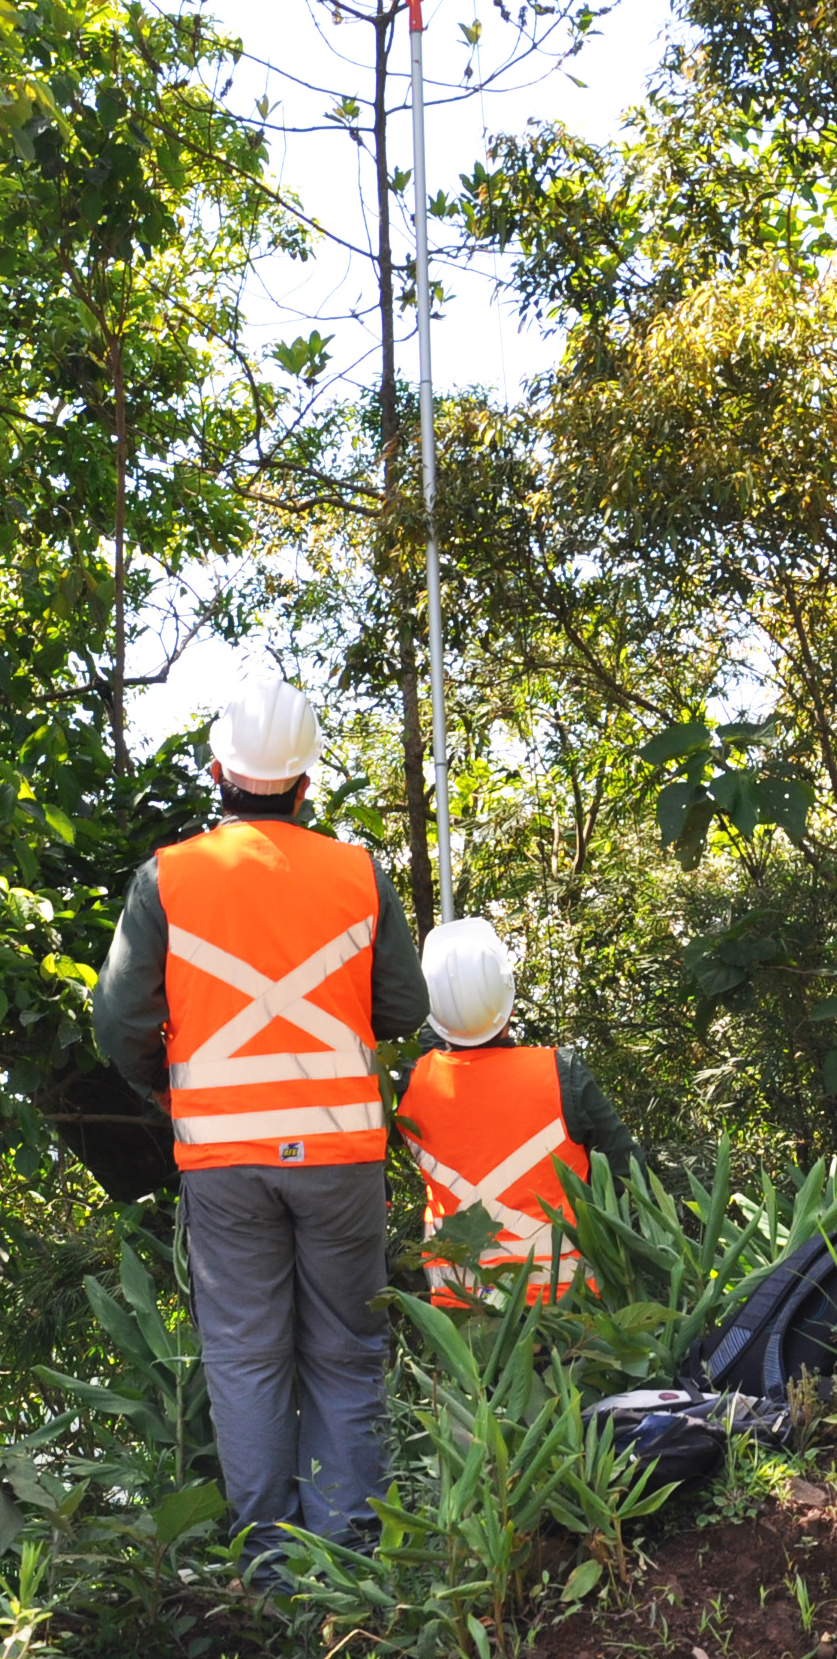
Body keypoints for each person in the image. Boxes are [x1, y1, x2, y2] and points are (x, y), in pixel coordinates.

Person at [91, 676, 428, 1579]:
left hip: (224, 1159)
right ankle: (350, 1561)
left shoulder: (168, 876)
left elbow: (118, 1023)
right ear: (306, 784)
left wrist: (164, 1088)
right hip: (340, 1156)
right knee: (347, 1353)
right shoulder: (358, 873)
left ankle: (271, 1575)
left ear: (217, 773)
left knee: (245, 1358)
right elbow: (404, 1006)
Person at [396, 917, 643, 1307]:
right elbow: (630, 1174)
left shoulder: (413, 1084)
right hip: (568, 1310)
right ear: (508, 1000)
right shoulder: (560, 1074)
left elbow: (429, 1046)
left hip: (461, 1308)